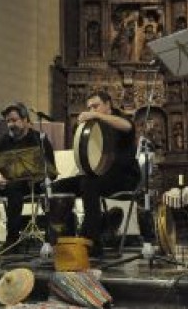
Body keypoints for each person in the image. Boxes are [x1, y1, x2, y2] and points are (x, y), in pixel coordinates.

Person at [54, 91, 141, 257]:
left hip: (124, 176)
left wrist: (96, 116)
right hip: (99, 175)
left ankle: (92, 242)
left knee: (89, 183)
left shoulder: (119, 120)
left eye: (96, 106)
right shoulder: (94, 127)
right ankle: (68, 238)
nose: (92, 110)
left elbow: (128, 126)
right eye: (89, 107)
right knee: (57, 187)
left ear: (108, 104)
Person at [0, 102, 56, 254]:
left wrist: (37, 176)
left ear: (25, 120)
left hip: (30, 184)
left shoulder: (39, 139)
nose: (10, 124)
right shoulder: (3, 141)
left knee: (14, 188)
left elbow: (51, 171)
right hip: (6, 184)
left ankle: (12, 240)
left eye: (14, 120)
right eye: (8, 121)